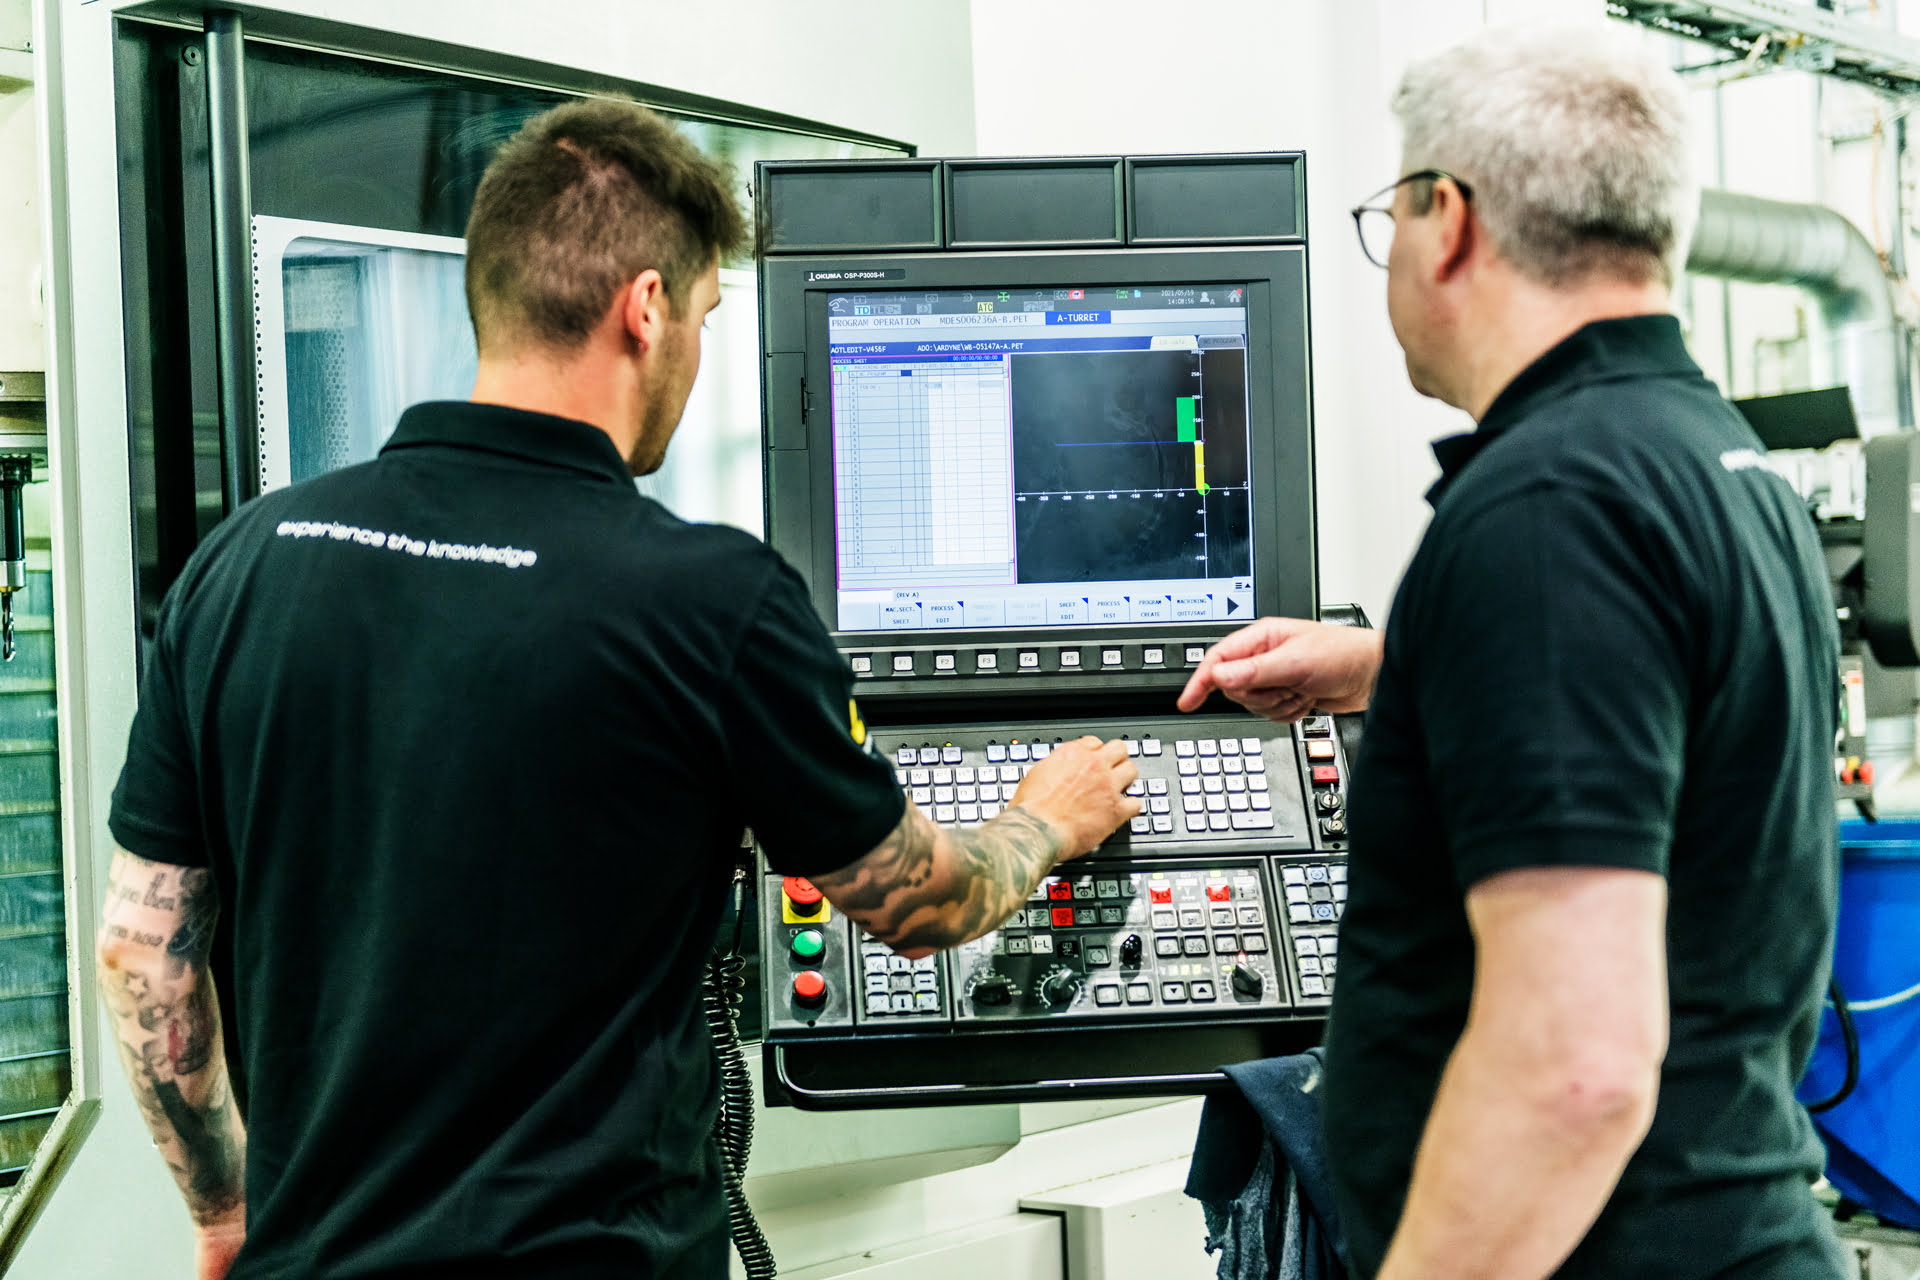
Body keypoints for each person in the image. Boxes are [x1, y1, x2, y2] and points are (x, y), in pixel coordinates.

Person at [96, 98, 1140, 1280]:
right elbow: (923, 902)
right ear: (645, 307)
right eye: (701, 315)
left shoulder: (243, 563)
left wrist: (225, 1211)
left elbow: (143, 953)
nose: (694, 350)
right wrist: (1046, 817)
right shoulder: (711, 599)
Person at [1180, 25, 1847, 1280]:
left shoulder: (1550, 508)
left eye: (1389, 214)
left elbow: (1575, 1068)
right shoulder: (1711, 457)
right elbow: (1664, 708)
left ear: (1449, 218)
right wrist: (1398, 669)